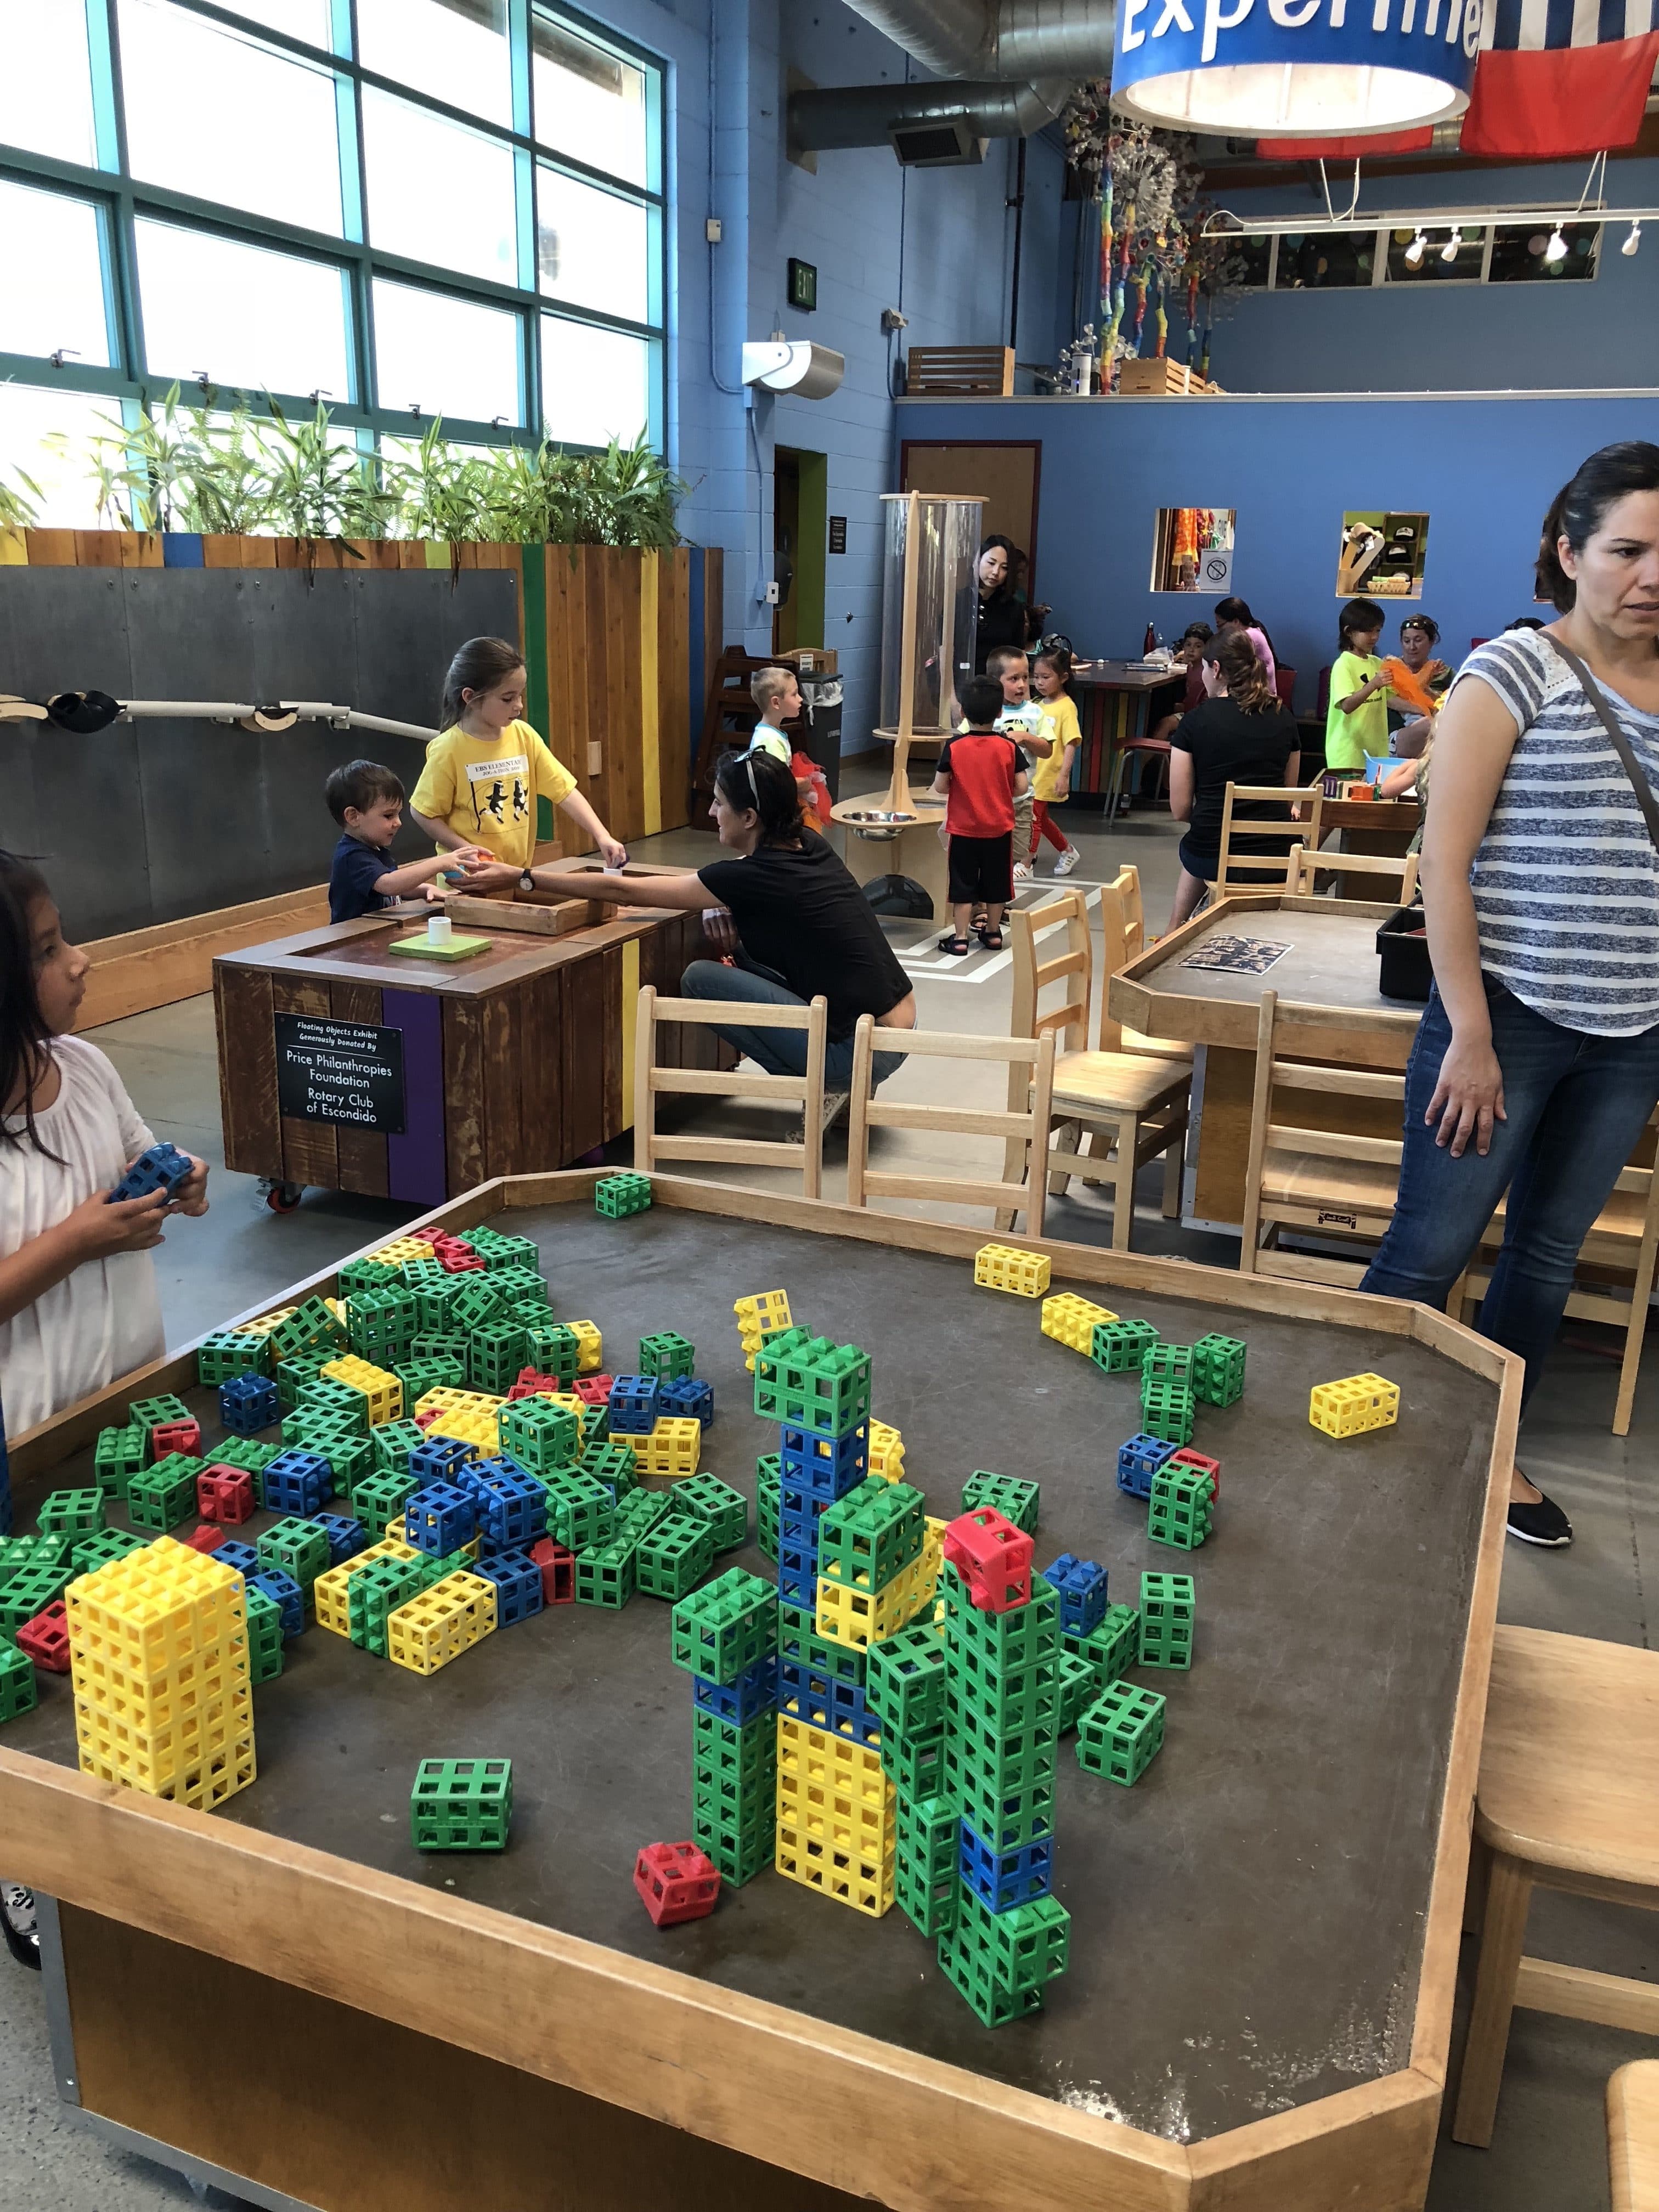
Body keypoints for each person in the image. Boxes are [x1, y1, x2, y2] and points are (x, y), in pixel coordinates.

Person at [1358, 439, 1659, 1549]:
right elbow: (1444, 866)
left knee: (1544, 1256)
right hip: (1505, 1022)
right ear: (1569, 553)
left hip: (1633, 1034)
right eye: (1626, 550)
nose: (1650, 576)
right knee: (1428, 1249)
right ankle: (1347, 1430)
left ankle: (1489, 1453)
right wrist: (1469, 1037)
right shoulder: (1509, 675)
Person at [467, 749, 915, 1104]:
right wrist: (725, 909)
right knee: (740, 951)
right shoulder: (808, 844)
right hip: (898, 1026)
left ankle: (827, 1089)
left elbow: (624, 890)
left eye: (720, 803)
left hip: (857, 1049)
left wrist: (522, 876)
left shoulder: (749, 877)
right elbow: (761, 892)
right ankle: (843, 1084)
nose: (713, 812)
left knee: (700, 978)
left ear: (749, 818)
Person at [410, 635, 627, 876]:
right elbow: (423, 812)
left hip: (513, 874)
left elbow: (564, 791)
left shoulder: (524, 736)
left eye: (520, 695)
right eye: (508, 698)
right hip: (469, 876)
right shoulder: (448, 749)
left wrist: (602, 835)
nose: (519, 705)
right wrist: (465, 849)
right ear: (470, 697)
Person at [1166, 631, 1302, 928]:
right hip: (1277, 859)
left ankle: (1174, 931)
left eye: (1204, 668)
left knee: (1205, 840)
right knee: (1212, 840)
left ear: (1216, 669)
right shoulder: (1285, 718)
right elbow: (1286, 798)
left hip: (1213, 856)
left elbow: (1180, 810)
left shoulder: (1195, 722)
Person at [930, 674, 1026, 955]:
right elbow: (1022, 786)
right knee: (997, 882)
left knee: (962, 883)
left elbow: (940, 786)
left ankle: (960, 938)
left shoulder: (954, 747)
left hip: (963, 830)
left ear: (963, 711)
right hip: (999, 829)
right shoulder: (1009, 747)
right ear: (1000, 712)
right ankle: (993, 933)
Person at [325, 759, 487, 923]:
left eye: (398, 815)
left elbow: (397, 889)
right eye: (389, 816)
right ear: (353, 816)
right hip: (354, 937)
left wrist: (426, 888)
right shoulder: (352, 856)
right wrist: (439, 863)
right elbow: (389, 885)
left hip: (379, 931)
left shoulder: (376, 850)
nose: (398, 823)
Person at [983, 645, 1048, 890]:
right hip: (989, 801)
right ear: (995, 681)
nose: (1022, 685)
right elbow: (963, 741)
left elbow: (1047, 750)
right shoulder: (986, 712)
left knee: (1017, 853)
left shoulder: (1035, 713)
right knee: (989, 851)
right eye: (1013, 679)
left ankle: (1000, 896)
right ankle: (990, 897)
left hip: (1022, 801)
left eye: (1025, 677)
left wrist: (1026, 738)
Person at [1029, 645, 1082, 876]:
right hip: (1033, 772)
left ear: (1063, 678)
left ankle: (1026, 862)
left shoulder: (1067, 708)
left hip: (1049, 774)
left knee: (1033, 819)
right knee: (1040, 818)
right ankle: (1067, 850)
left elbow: (1071, 743)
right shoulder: (1037, 705)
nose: (1039, 683)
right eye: (1036, 677)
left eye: (1046, 677)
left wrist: (1064, 776)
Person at [1325, 599, 1391, 778]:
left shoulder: (1377, 663)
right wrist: (1373, 684)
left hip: (1375, 754)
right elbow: (1347, 705)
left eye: (1378, 631)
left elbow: (1392, 699)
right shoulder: (1343, 665)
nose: (1374, 637)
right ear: (1349, 632)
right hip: (1348, 755)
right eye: (1368, 631)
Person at [970, 536, 1046, 672]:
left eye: (1004, 568)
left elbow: (1017, 654)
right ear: (978, 561)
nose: (996, 572)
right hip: (963, 680)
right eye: (991, 563)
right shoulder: (960, 602)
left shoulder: (1014, 608)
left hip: (1000, 682)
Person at [1147, 622, 1214, 748]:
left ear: (1207, 648)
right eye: (1188, 645)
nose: (1192, 650)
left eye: (1198, 646)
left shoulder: (1205, 672)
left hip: (1200, 716)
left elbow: (1195, 704)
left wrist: (1180, 707)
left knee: (1166, 723)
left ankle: (1145, 757)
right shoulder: (1190, 667)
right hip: (1193, 711)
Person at [1214, 596, 1278, 692]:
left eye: (1220, 625)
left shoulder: (1250, 637)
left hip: (1259, 696)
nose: (1218, 630)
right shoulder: (1253, 632)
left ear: (1236, 622)